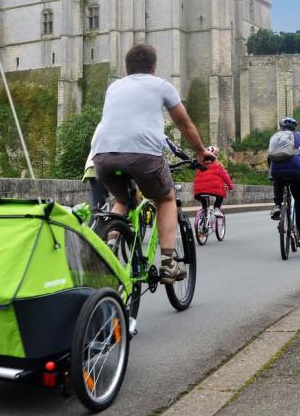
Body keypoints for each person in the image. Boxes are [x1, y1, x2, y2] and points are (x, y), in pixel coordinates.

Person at [91, 43, 212, 284]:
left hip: (101, 156)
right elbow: (184, 124)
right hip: (142, 156)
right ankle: (168, 264)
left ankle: (108, 246)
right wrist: (200, 151)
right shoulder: (161, 85)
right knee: (165, 199)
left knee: (123, 200)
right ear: (154, 67)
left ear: (127, 68)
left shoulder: (114, 86)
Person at [268, 117, 300, 248]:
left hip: (277, 170)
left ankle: (277, 205)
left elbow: (270, 156)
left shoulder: (274, 137)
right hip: (295, 171)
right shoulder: (299, 137)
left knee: (277, 180)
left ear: (281, 127)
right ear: (294, 127)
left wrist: (271, 173)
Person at [193, 146, 234, 216]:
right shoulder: (218, 165)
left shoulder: (199, 166)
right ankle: (217, 208)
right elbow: (225, 176)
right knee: (220, 195)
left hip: (198, 191)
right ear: (214, 156)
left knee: (204, 201)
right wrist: (230, 186)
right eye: (216, 155)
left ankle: (204, 212)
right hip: (214, 190)